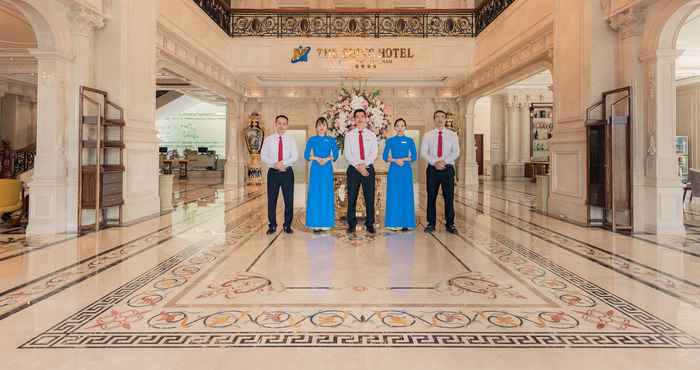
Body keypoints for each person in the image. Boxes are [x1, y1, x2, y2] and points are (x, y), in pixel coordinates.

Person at [421, 110, 460, 234]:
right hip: (432, 169)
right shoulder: (428, 135)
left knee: (449, 197)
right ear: (434, 120)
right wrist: (434, 162)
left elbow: (456, 152)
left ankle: (450, 224)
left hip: (447, 169)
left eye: (442, 117)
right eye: (437, 117)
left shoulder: (453, 135)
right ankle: (431, 223)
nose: (439, 119)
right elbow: (423, 152)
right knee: (431, 197)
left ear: (445, 119)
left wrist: (444, 161)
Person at [261, 114, 298, 235]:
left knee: (289, 200)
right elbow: (263, 156)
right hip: (273, 173)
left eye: (284, 123)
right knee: (272, 200)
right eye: (279, 123)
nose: (281, 126)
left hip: (287, 172)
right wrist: (275, 164)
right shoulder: (268, 140)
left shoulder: (291, 139)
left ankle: (287, 225)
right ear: (275, 124)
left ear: (287, 125)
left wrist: (283, 163)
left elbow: (295, 156)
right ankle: (272, 225)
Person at [344, 109, 378, 234]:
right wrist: (358, 166)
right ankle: (351, 224)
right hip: (353, 169)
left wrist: (364, 165)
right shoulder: (349, 135)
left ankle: (370, 223)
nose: (359, 119)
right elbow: (347, 153)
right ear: (354, 119)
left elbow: (374, 153)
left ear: (366, 118)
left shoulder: (371, 135)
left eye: (362, 116)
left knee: (369, 197)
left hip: (368, 169)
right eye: (357, 116)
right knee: (352, 197)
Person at [304, 117, 339, 232]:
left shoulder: (331, 140)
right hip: (316, 168)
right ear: (316, 127)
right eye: (319, 125)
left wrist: (327, 158)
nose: (321, 127)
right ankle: (314, 223)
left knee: (326, 193)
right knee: (315, 193)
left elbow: (336, 154)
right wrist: (316, 158)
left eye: (323, 125)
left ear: (326, 127)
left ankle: (326, 223)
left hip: (327, 169)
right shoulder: (312, 140)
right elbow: (306, 155)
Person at [383, 118, 417, 231]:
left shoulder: (410, 141)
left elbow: (414, 157)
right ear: (395, 128)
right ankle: (393, 222)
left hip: (406, 170)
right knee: (394, 195)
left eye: (403, 125)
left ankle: (406, 223)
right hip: (394, 170)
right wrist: (395, 160)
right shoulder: (390, 141)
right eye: (398, 125)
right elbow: (385, 157)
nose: (400, 127)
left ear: (405, 127)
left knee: (406, 194)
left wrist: (402, 159)